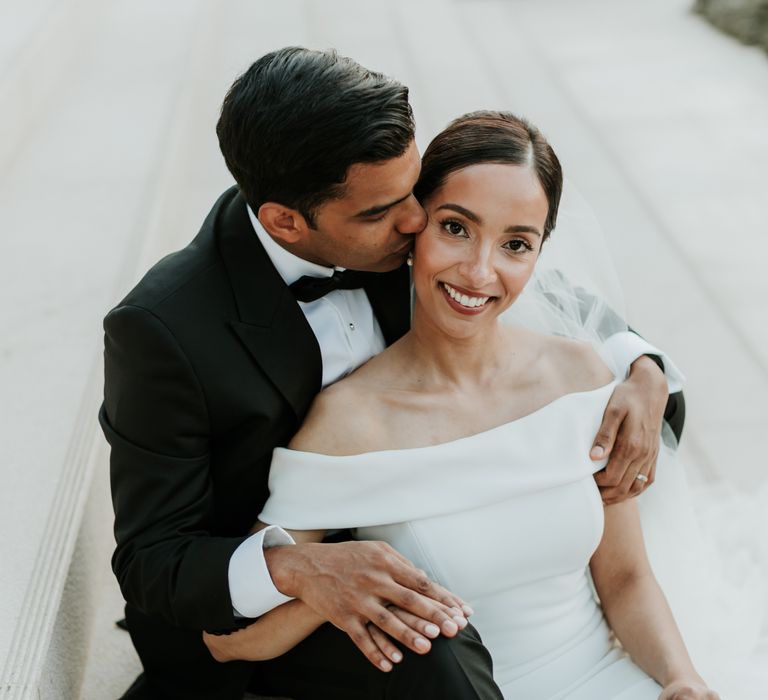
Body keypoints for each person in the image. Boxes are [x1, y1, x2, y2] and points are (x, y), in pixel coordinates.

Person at [100, 47, 683, 699]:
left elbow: (555, 296)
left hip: (504, 595)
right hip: (272, 597)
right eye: (383, 212)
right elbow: (154, 557)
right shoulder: (164, 329)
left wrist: (642, 367)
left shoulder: (421, 239)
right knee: (432, 642)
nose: (416, 223)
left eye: (414, 194)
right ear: (286, 223)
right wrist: (298, 569)